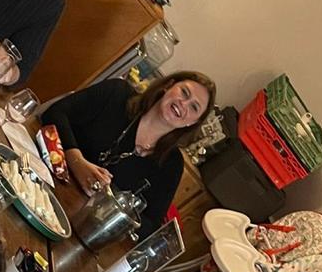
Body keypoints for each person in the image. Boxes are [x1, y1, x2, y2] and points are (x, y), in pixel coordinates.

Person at [45, 71, 216, 236]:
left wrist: (112, 205)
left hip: (84, 228)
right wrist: (75, 160)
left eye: (194, 107)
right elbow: (55, 113)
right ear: (168, 86)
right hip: (45, 179)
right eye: (184, 92)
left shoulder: (172, 165)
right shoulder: (117, 93)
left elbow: (150, 226)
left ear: (193, 122)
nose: (183, 104)